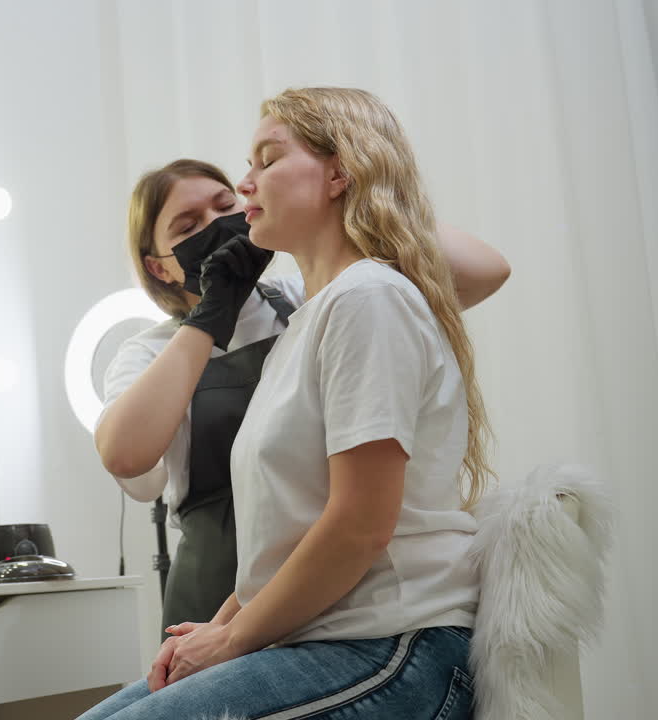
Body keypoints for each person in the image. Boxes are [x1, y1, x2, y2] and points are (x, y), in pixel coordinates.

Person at [82, 86, 490, 719]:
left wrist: (376, 181)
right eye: (187, 226)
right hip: (289, 612)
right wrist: (224, 624)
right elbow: (131, 455)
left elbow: (356, 525)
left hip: (384, 633)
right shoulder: (289, 329)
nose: (243, 191)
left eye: (261, 165)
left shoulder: (354, 299)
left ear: (340, 170)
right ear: (158, 266)